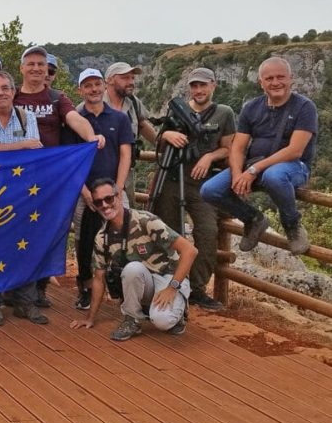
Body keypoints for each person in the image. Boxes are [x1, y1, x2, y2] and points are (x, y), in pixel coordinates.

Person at [15, 45, 104, 307]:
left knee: (48, 232)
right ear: (21, 68)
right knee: (18, 231)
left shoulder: (56, 97)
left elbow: (75, 118)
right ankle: (15, 287)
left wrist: (91, 137)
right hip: (18, 178)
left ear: (47, 69)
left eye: (41, 65)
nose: (36, 69)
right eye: (31, 64)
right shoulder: (13, 96)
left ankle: (40, 287)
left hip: (50, 180)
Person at [201, 57, 317, 255]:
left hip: (292, 166)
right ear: (261, 82)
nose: (275, 82)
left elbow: (295, 150)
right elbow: (237, 147)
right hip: (254, 166)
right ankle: (253, 219)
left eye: (281, 77)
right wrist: (238, 174)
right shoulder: (251, 108)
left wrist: (254, 169)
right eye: (269, 78)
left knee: (274, 175)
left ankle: (292, 225)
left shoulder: (304, 107)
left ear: (291, 79)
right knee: (210, 190)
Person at [71, 178, 197, 341]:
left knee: (163, 321)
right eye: (98, 202)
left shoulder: (145, 220)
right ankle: (132, 319)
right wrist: (90, 317)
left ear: (118, 196)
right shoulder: (102, 238)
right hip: (145, 281)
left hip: (169, 277)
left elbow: (190, 250)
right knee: (132, 268)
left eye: (108, 199)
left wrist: (172, 288)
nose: (104, 205)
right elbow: (98, 278)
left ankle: (177, 314)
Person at [150, 69, 235, 311]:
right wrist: (168, 133)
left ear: (213, 86)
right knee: (171, 234)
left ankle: (197, 289)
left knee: (208, 231)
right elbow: (158, 138)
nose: (198, 91)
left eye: (203, 86)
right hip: (171, 181)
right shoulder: (178, 110)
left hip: (203, 185)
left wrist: (209, 157)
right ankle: (168, 284)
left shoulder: (224, 113)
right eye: (194, 86)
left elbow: (229, 149)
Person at [0, 71, 47, 326]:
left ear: (13, 92)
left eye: (5, 88)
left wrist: (22, 148)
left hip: (23, 195)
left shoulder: (28, 118)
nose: (1, 93)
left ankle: (25, 303)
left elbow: (34, 151)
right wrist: (23, 146)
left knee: (27, 246)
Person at [73, 69, 134, 312]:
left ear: (103, 85)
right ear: (80, 90)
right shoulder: (76, 118)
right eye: (87, 85)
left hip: (115, 190)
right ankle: (86, 289)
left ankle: (123, 290)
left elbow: (125, 153)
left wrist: (118, 188)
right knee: (83, 241)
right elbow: (73, 159)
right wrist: (85, 191)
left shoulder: (119, 118)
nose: (94, 89)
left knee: (124, 236)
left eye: (97, 84)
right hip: (84, 191)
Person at [104, 62, 158, 202]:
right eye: (125, 78)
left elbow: (142, 124)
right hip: (100, 171)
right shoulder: (95, 104)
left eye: (132, 78)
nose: (131, 82)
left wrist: (160, 144)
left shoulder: (133, 102)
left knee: (126, 214)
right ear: (109, 80)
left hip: (126, 171)